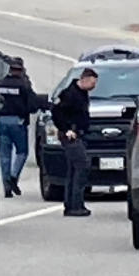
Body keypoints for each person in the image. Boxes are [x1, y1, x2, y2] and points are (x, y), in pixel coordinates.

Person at [0, 57, 37, 198]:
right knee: (22, 152)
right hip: (18, 122)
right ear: (21, 70)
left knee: (4, 156)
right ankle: (13, 177)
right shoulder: (24, 85)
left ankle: (6, 188)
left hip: (2, 122)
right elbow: (33, 105)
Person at [52, 68, 99, 217]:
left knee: (74, 170)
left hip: (79, 134)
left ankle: (72, 205)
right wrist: (66, 129)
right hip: (70, 136)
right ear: (84, 79)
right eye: (92, 83)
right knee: (82, 166)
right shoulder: (69, 94)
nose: (93, 86)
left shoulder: (82, 93)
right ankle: (75, 204)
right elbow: (56, 112)